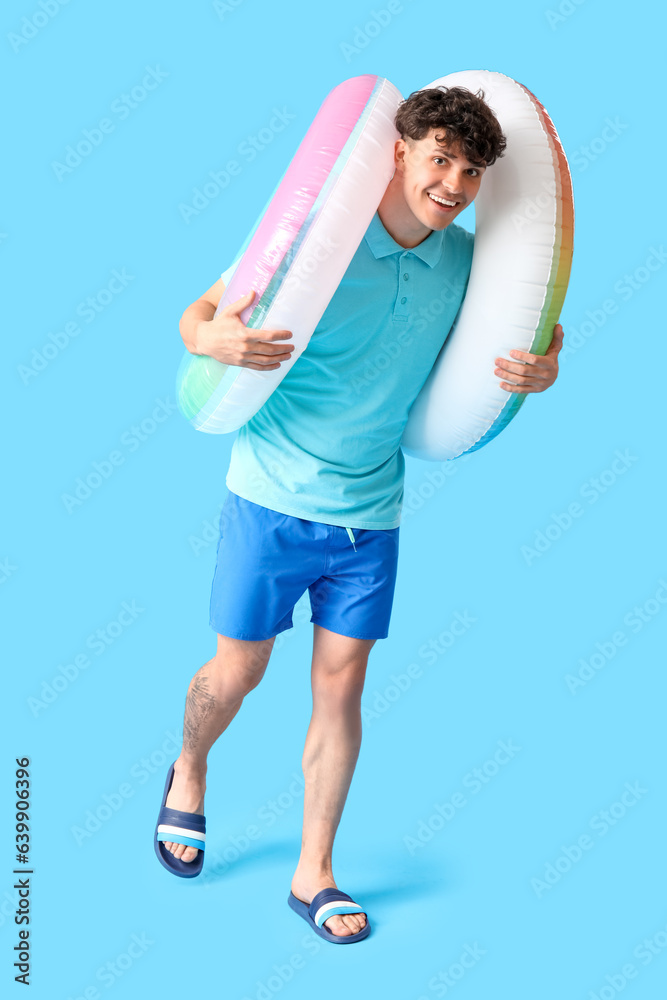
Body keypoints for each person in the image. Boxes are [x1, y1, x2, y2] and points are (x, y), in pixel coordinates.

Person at [154, 85, 564, 943]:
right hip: (269, 495)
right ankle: (188, 766)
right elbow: (197, 312)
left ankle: (315, 874)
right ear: (399, 153)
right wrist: (209, 339)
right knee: (236, 673)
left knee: (341, 689)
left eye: (470, 170)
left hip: (370, 511)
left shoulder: (464, 266)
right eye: (439, 159)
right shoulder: (323, 244)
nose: (452, 183)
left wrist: (544, 364)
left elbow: (519, 337)